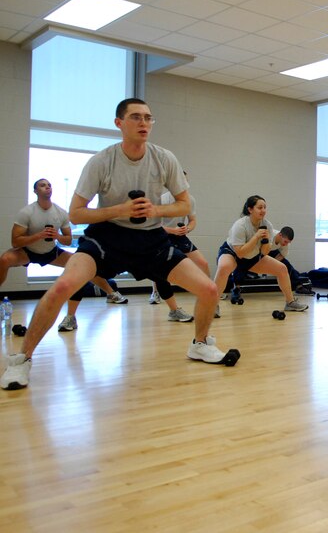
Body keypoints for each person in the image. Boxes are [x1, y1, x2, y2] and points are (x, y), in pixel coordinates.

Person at [1, 99, 239, 391]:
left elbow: (184, 204)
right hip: (106, 238)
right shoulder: (102, 161)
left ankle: (199, 345)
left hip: (151, 240)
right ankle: (22, 359)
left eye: (148, 118)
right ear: (119, 123)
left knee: (210, 289)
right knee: (63, 287)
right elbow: (76, 213)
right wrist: (120, 210)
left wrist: (155, 211)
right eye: (136, 117)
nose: (144, 123)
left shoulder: (164, 158)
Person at [0, 178, 129, 333]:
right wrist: (38, 236)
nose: (47, 187)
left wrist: (57, 236)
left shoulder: (60, 212)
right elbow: (15, 242)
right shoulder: (27, 212)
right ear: (35, 191)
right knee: (5, 259)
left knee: (84, 267)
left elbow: (68, 240)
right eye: (42, 185)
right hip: (28, 252)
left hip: (51, 252)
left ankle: (111, 293)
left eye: (49, 185)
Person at [213, 196, 308, 317]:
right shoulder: (240, 225)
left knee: (282, 269)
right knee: (224, 267)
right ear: (250, 209)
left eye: (265, 207)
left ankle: (290, 302)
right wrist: (256, 237)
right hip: (233, 253)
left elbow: (264, 252)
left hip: (252, 257)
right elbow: (240, 253)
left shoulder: (267, 225)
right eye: (259, 207)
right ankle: (213, 305)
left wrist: (266, 241)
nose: (263, 210)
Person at [148, 175, 209, 323]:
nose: (182, 183)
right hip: (162, 235)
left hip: (180, 236)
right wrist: (172, 231)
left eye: (184, 180)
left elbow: (193, 220)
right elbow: (153, 225)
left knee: (203, 264)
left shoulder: (190, 200)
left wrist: (187, 229)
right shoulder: (161, 199)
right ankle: (160, 297)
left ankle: (208, 296)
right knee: (160, 271)